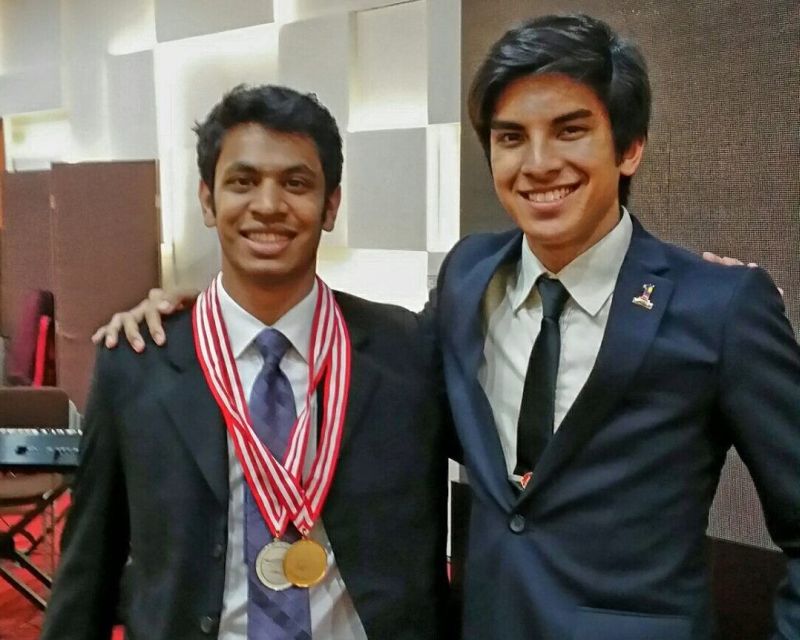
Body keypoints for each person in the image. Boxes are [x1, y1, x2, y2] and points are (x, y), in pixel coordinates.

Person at [96, 15, 800, 640]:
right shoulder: (469, 276)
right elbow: (379, 370)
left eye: (571, 130)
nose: (538, 163)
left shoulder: (721, 306)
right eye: (510, 138)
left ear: (630, 147)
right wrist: (207, 311)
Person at [42, 85, 450, 640]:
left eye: (296, 183)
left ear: (330, 206)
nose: (267, 205)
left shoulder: (407, 351)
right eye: (243, 181)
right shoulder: (139, 362)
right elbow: (88, 568)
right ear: (208, 201)